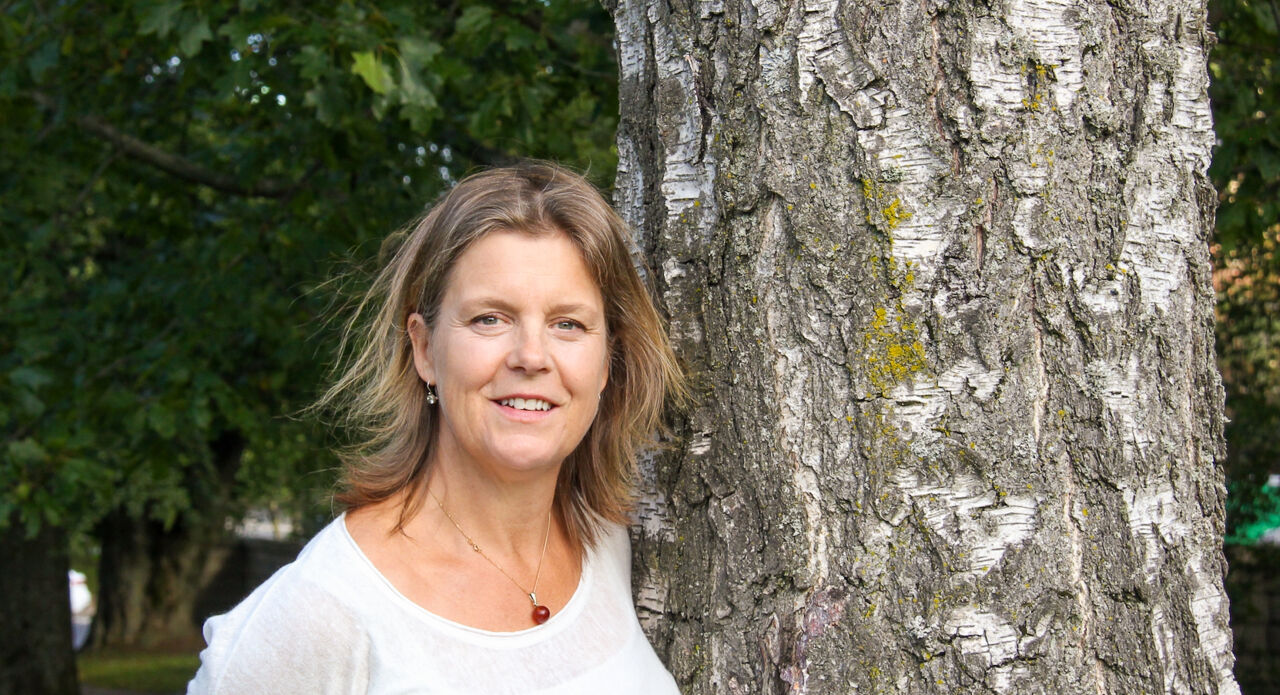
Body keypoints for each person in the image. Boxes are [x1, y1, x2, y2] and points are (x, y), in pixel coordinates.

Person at [187, 161, 686, 694]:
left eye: (568, 324)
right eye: (489, 318)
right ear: (424, 348)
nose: (532, 356)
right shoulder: (325, 611)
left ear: (607, 360)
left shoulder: (609, 539)